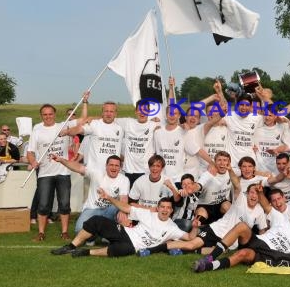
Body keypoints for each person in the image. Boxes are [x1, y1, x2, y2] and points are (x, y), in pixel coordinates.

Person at [192, 183, 290, 272]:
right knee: (242, 226)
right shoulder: (281, 219)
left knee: (242, 254)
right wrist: (260, 192)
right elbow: (265, 205)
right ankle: (210, 257)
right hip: (259, 241)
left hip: (271, 254)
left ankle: (208, 267)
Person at [50, 190, 190, 258]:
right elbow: (126, 208)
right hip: (125, 232)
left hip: (133, 246)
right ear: (158, 208)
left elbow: (189, 238)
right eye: (162, 207)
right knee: (97, 220)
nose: (165, 210)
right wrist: (110, 198)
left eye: (168, 208)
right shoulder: (148, 214)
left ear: (171, 211)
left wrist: (196, 226)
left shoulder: (172, 228)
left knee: (122, 250)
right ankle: (70, 247)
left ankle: (85, 252)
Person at [27, 104, 80, 241]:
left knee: (64, 204)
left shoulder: (62, 127)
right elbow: (30, 152)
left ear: (54, 114)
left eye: (50, 114)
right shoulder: (37, 132)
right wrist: (33, 162)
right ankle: (41, 233)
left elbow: (83, 120)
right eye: (45, 114)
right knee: (43, 205)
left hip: (63, 172)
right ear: (41, 116)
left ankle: (64, 232)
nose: (48, 116)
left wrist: (85, 102)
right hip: (45, 173)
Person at [50, 154, 129, 234]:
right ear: (106, 166)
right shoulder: (96, 172)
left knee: (123, 214)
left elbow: (124, 199)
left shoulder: (124, 180)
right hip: (92, 208)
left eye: (116, 165)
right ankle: (95, 236)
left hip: (110, 210)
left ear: (120, 168)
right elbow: (78, 167)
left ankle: (112, 236)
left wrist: (123, 212)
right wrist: (61, 160)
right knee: (79, 230)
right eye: (111, 165)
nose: (114, 168)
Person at [115, 100, 160, 187]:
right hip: (129, 170)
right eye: (140, 110)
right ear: (135, 111)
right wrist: (88, 119)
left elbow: (172, 125)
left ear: (149, 112)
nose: (142, 112)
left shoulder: (154, 125)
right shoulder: (128, 122)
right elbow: (109, 118)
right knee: (130, 199)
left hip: (146, 171)